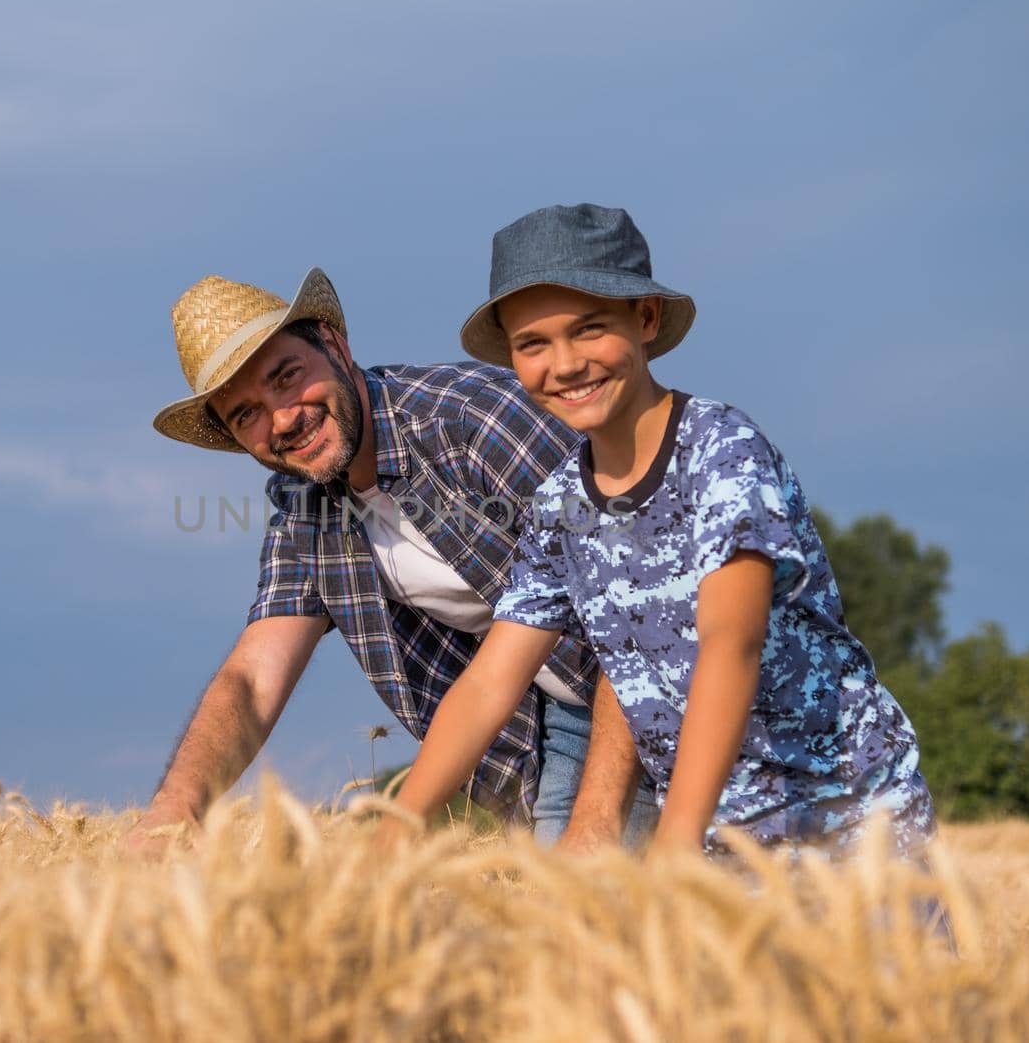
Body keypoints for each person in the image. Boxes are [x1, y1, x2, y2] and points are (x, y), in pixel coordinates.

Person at [385, 204, 936, 858]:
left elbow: (732, 641)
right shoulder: (560, 506)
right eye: (533, 344)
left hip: (849, 823)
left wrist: (675, 834)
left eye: (589, 330)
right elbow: (488, 684)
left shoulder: (722, 452)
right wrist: (397, 827)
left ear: (644, 319)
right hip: (721, 853)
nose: (563, 364)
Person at [125, 267, 660, 856]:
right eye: (246, 414)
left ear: (335, 344)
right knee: (574, 920)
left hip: (674, 671)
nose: (282, 420)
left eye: (287, 378)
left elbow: (639, 605)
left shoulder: (470, 426)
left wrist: (599, 818)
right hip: (570, 722)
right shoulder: (308, 510)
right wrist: (172, 814)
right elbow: (252, 679)